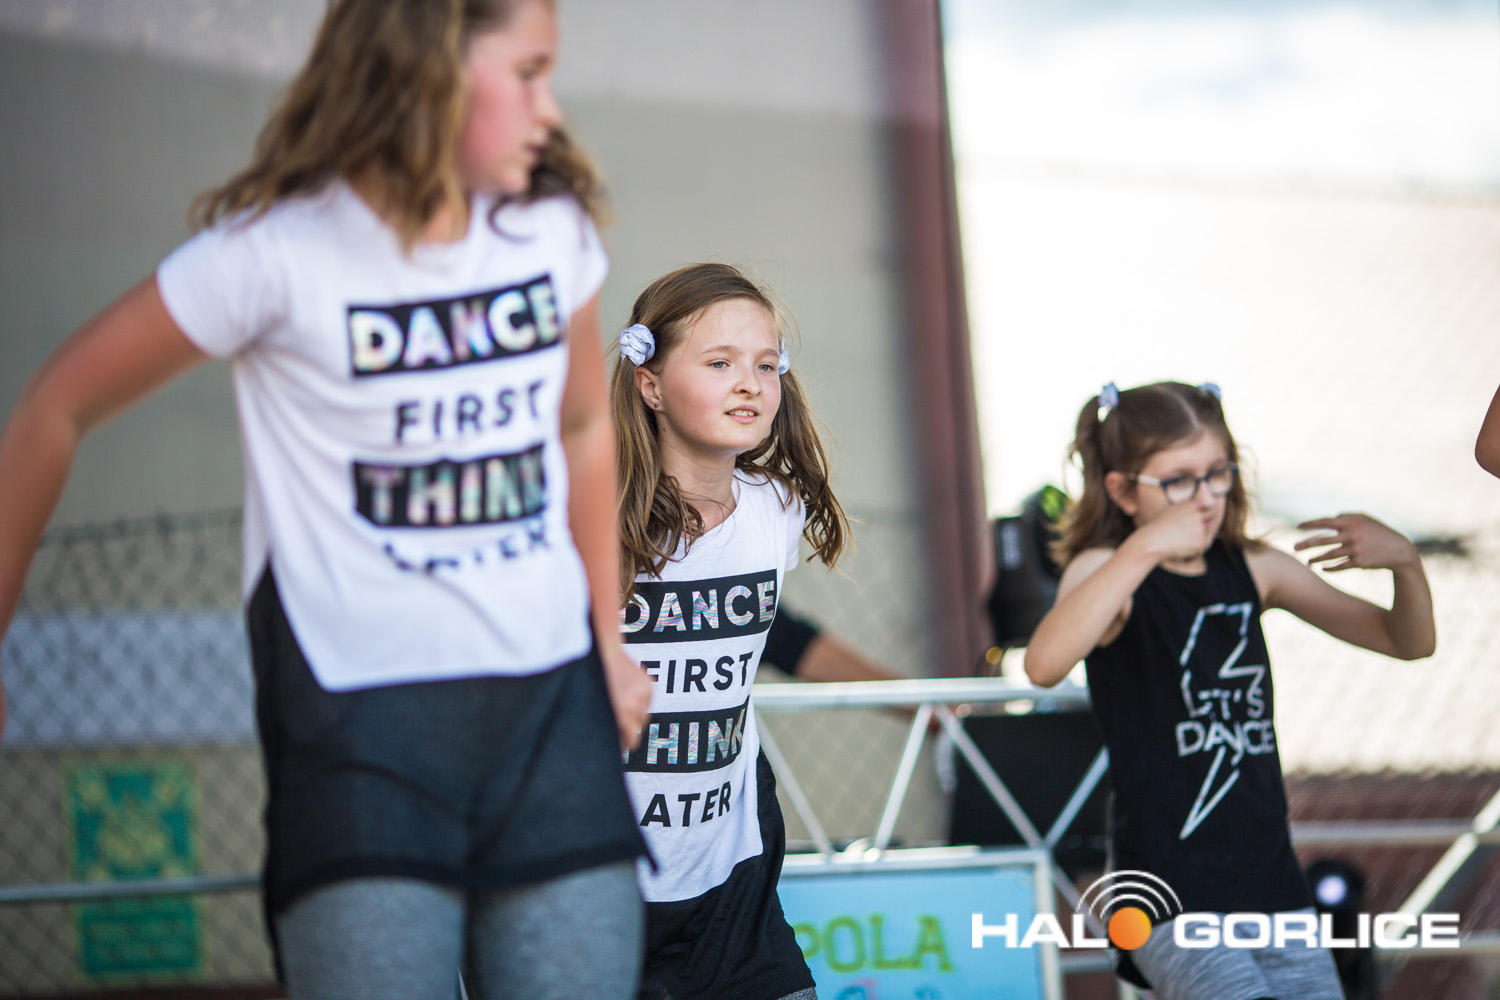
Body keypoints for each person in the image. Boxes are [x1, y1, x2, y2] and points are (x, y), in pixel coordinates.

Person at [0, 1, 653, 997]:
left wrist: (607, 640)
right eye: (528, 72)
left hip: (551, 711)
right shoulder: (274, 253)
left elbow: (580, 428)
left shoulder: (549, 231)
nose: (550, 109)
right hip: (358, 731)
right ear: (431, 67)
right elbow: (58, 405)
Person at [1024, 381, 1435, 1000]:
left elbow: (1406, 642)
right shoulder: (1107, 571)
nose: (1205, 497)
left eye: (1218, 473)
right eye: (1177, 481)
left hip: (1272, 886)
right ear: (1122, 491)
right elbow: (1043, 664)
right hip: (1164, 893)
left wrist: (1405, 562)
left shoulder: (1254, 568)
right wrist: (1144, 547)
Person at [611, 263, 849, 1000]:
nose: (749, 383)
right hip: (588, 882)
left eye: (766, 365)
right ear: (650, 384)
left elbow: (787, 642)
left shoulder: (775, 510)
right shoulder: (589, 520)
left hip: (729, 890)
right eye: (719, 363)